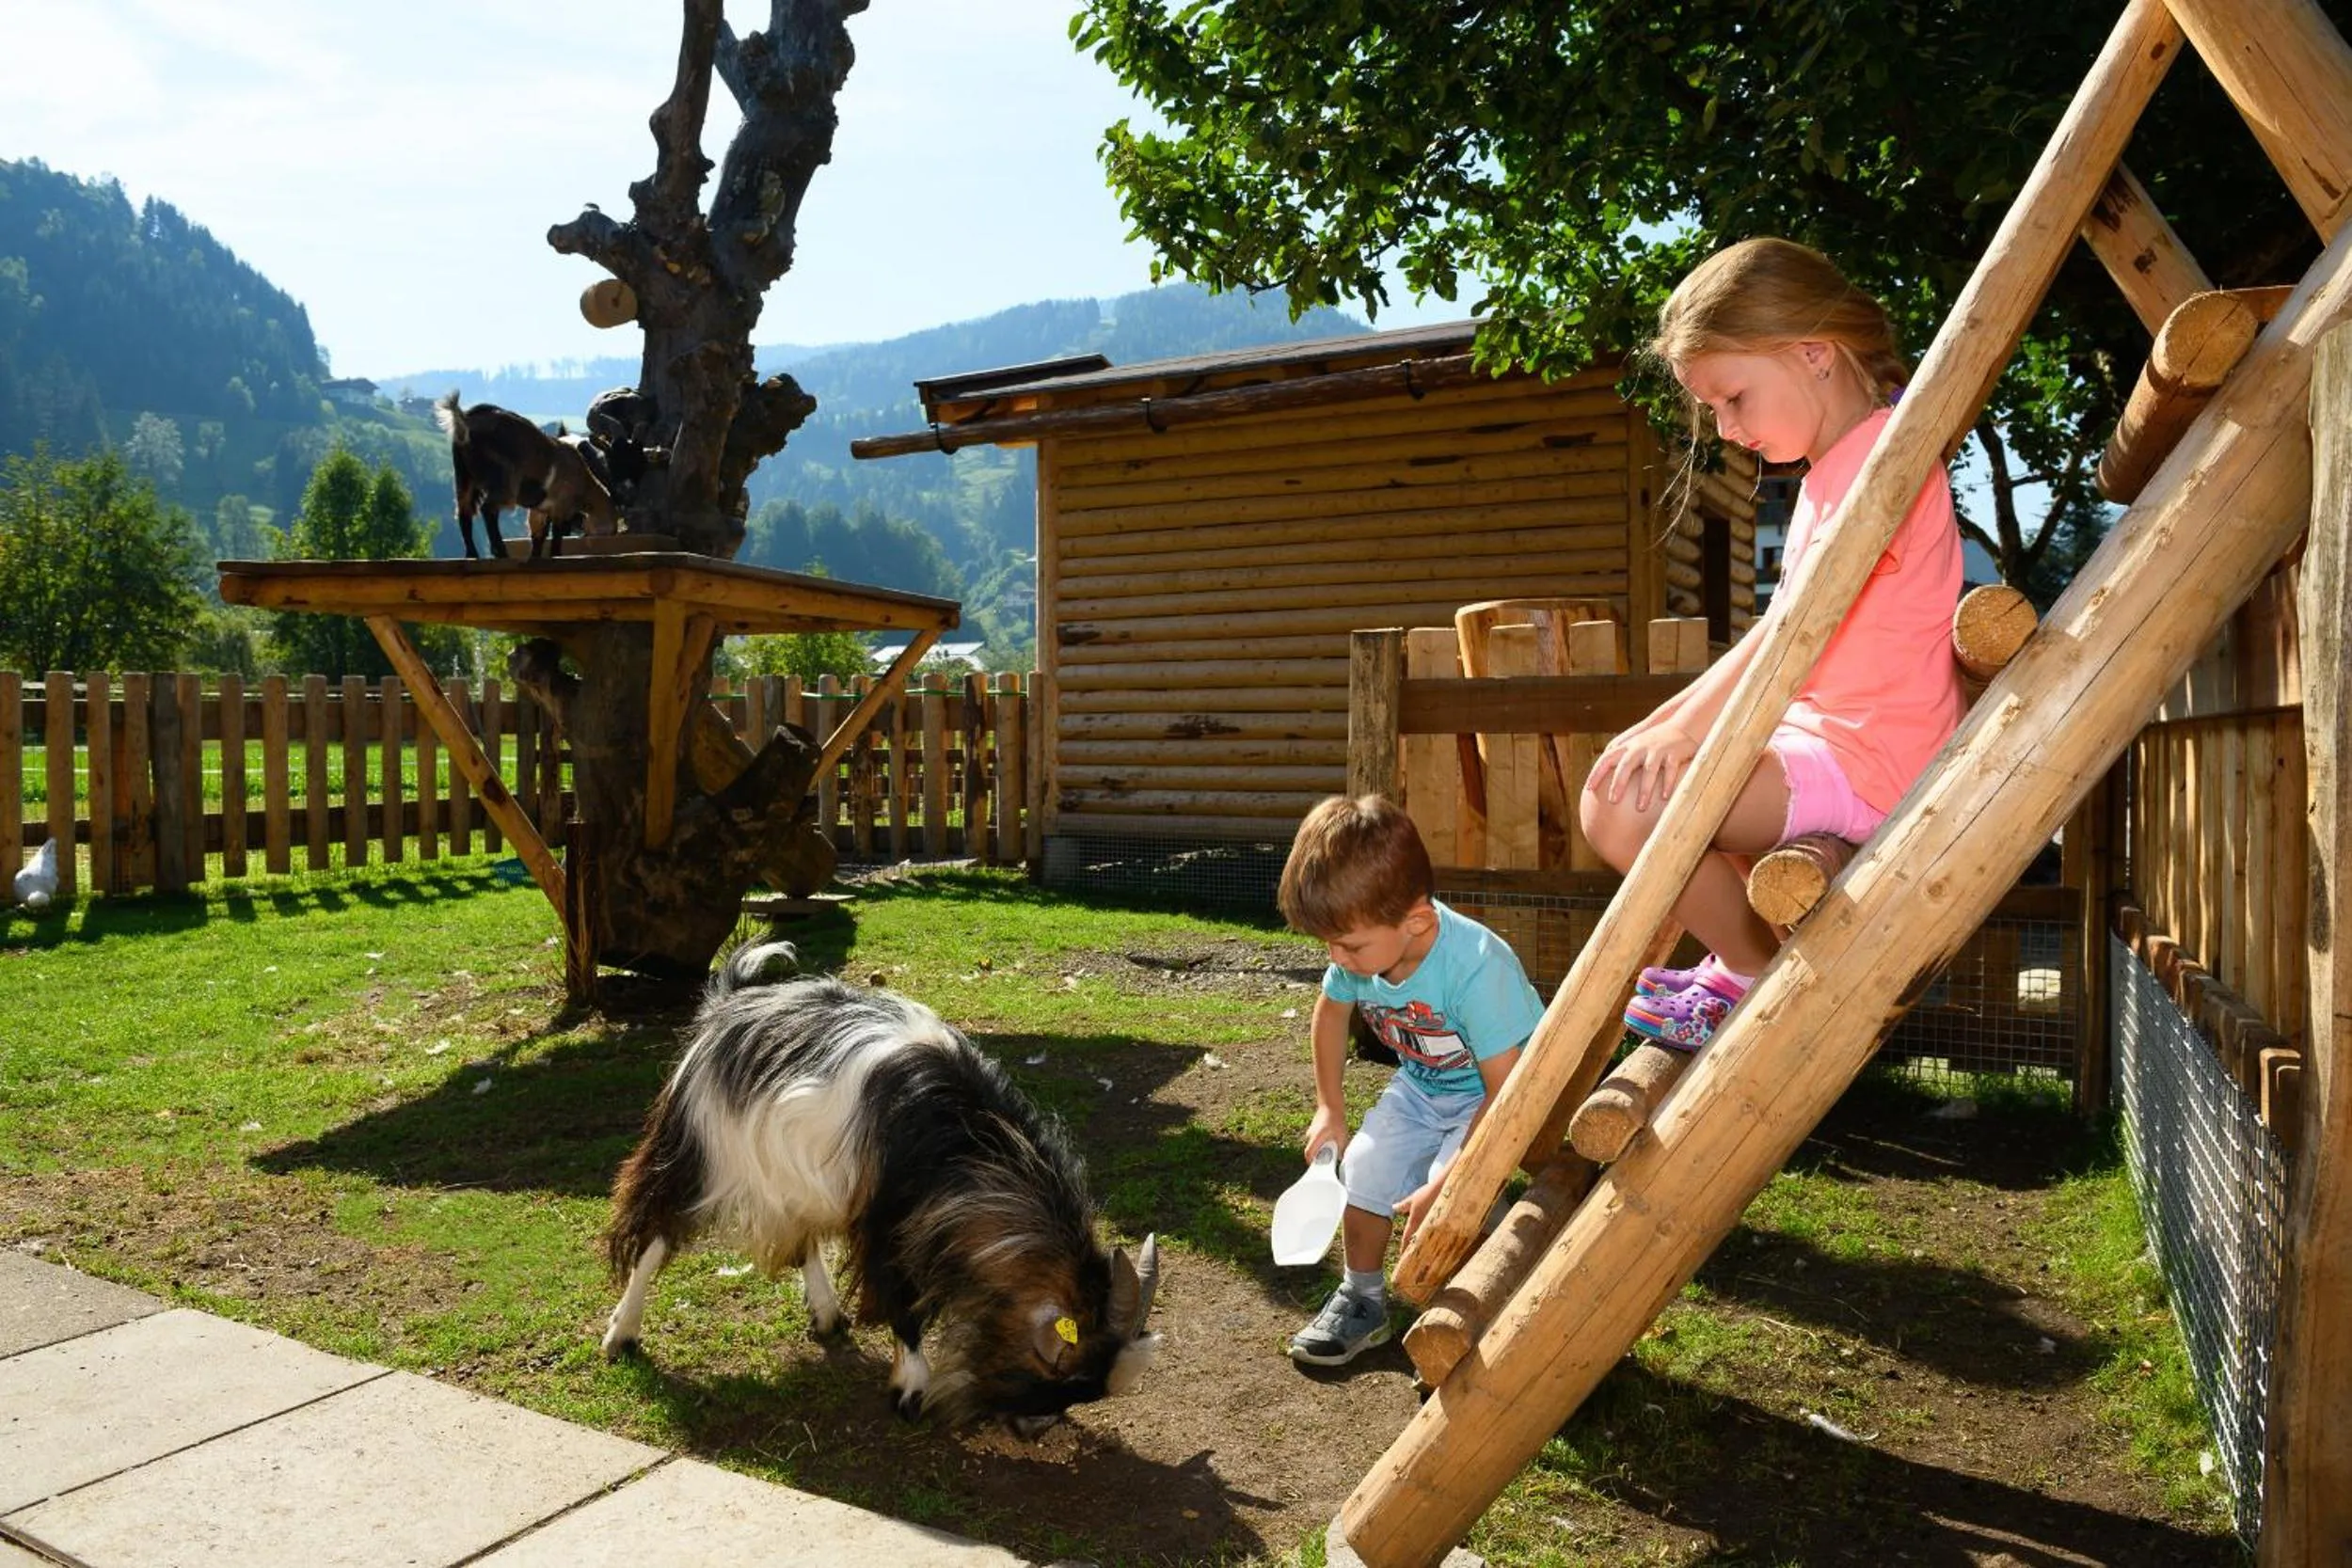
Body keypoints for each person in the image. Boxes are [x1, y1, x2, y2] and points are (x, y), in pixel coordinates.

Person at [1581, 237, 1965, 1052]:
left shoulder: (1883, 465)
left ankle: (1749, 970)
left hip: (1872, 760)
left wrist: (1685, 731)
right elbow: (1783, 628)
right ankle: (1737, 961)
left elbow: (1794, 632)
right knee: (1624, 782)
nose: (1726, 428)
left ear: (1813, 353)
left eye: (1733, 399)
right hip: (1827, 740)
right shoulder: (1838, 467)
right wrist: (1664, 724)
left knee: (1622, 807)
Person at [1276, 794, 1544, 1367]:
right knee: (1364, 1168)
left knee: (1452, 1200)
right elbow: (1330, 1014)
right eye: (1328, 943)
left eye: (1348, 945)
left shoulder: (1476, 968)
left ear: (1415, 921)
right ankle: (1362, 1298)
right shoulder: (1360, 952)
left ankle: (1479, 1310)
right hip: (1425, 1086)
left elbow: (1508, 1089)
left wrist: (1452, 1175)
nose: (1336, 957)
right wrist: (1330, 1108)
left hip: (1497, 1094)